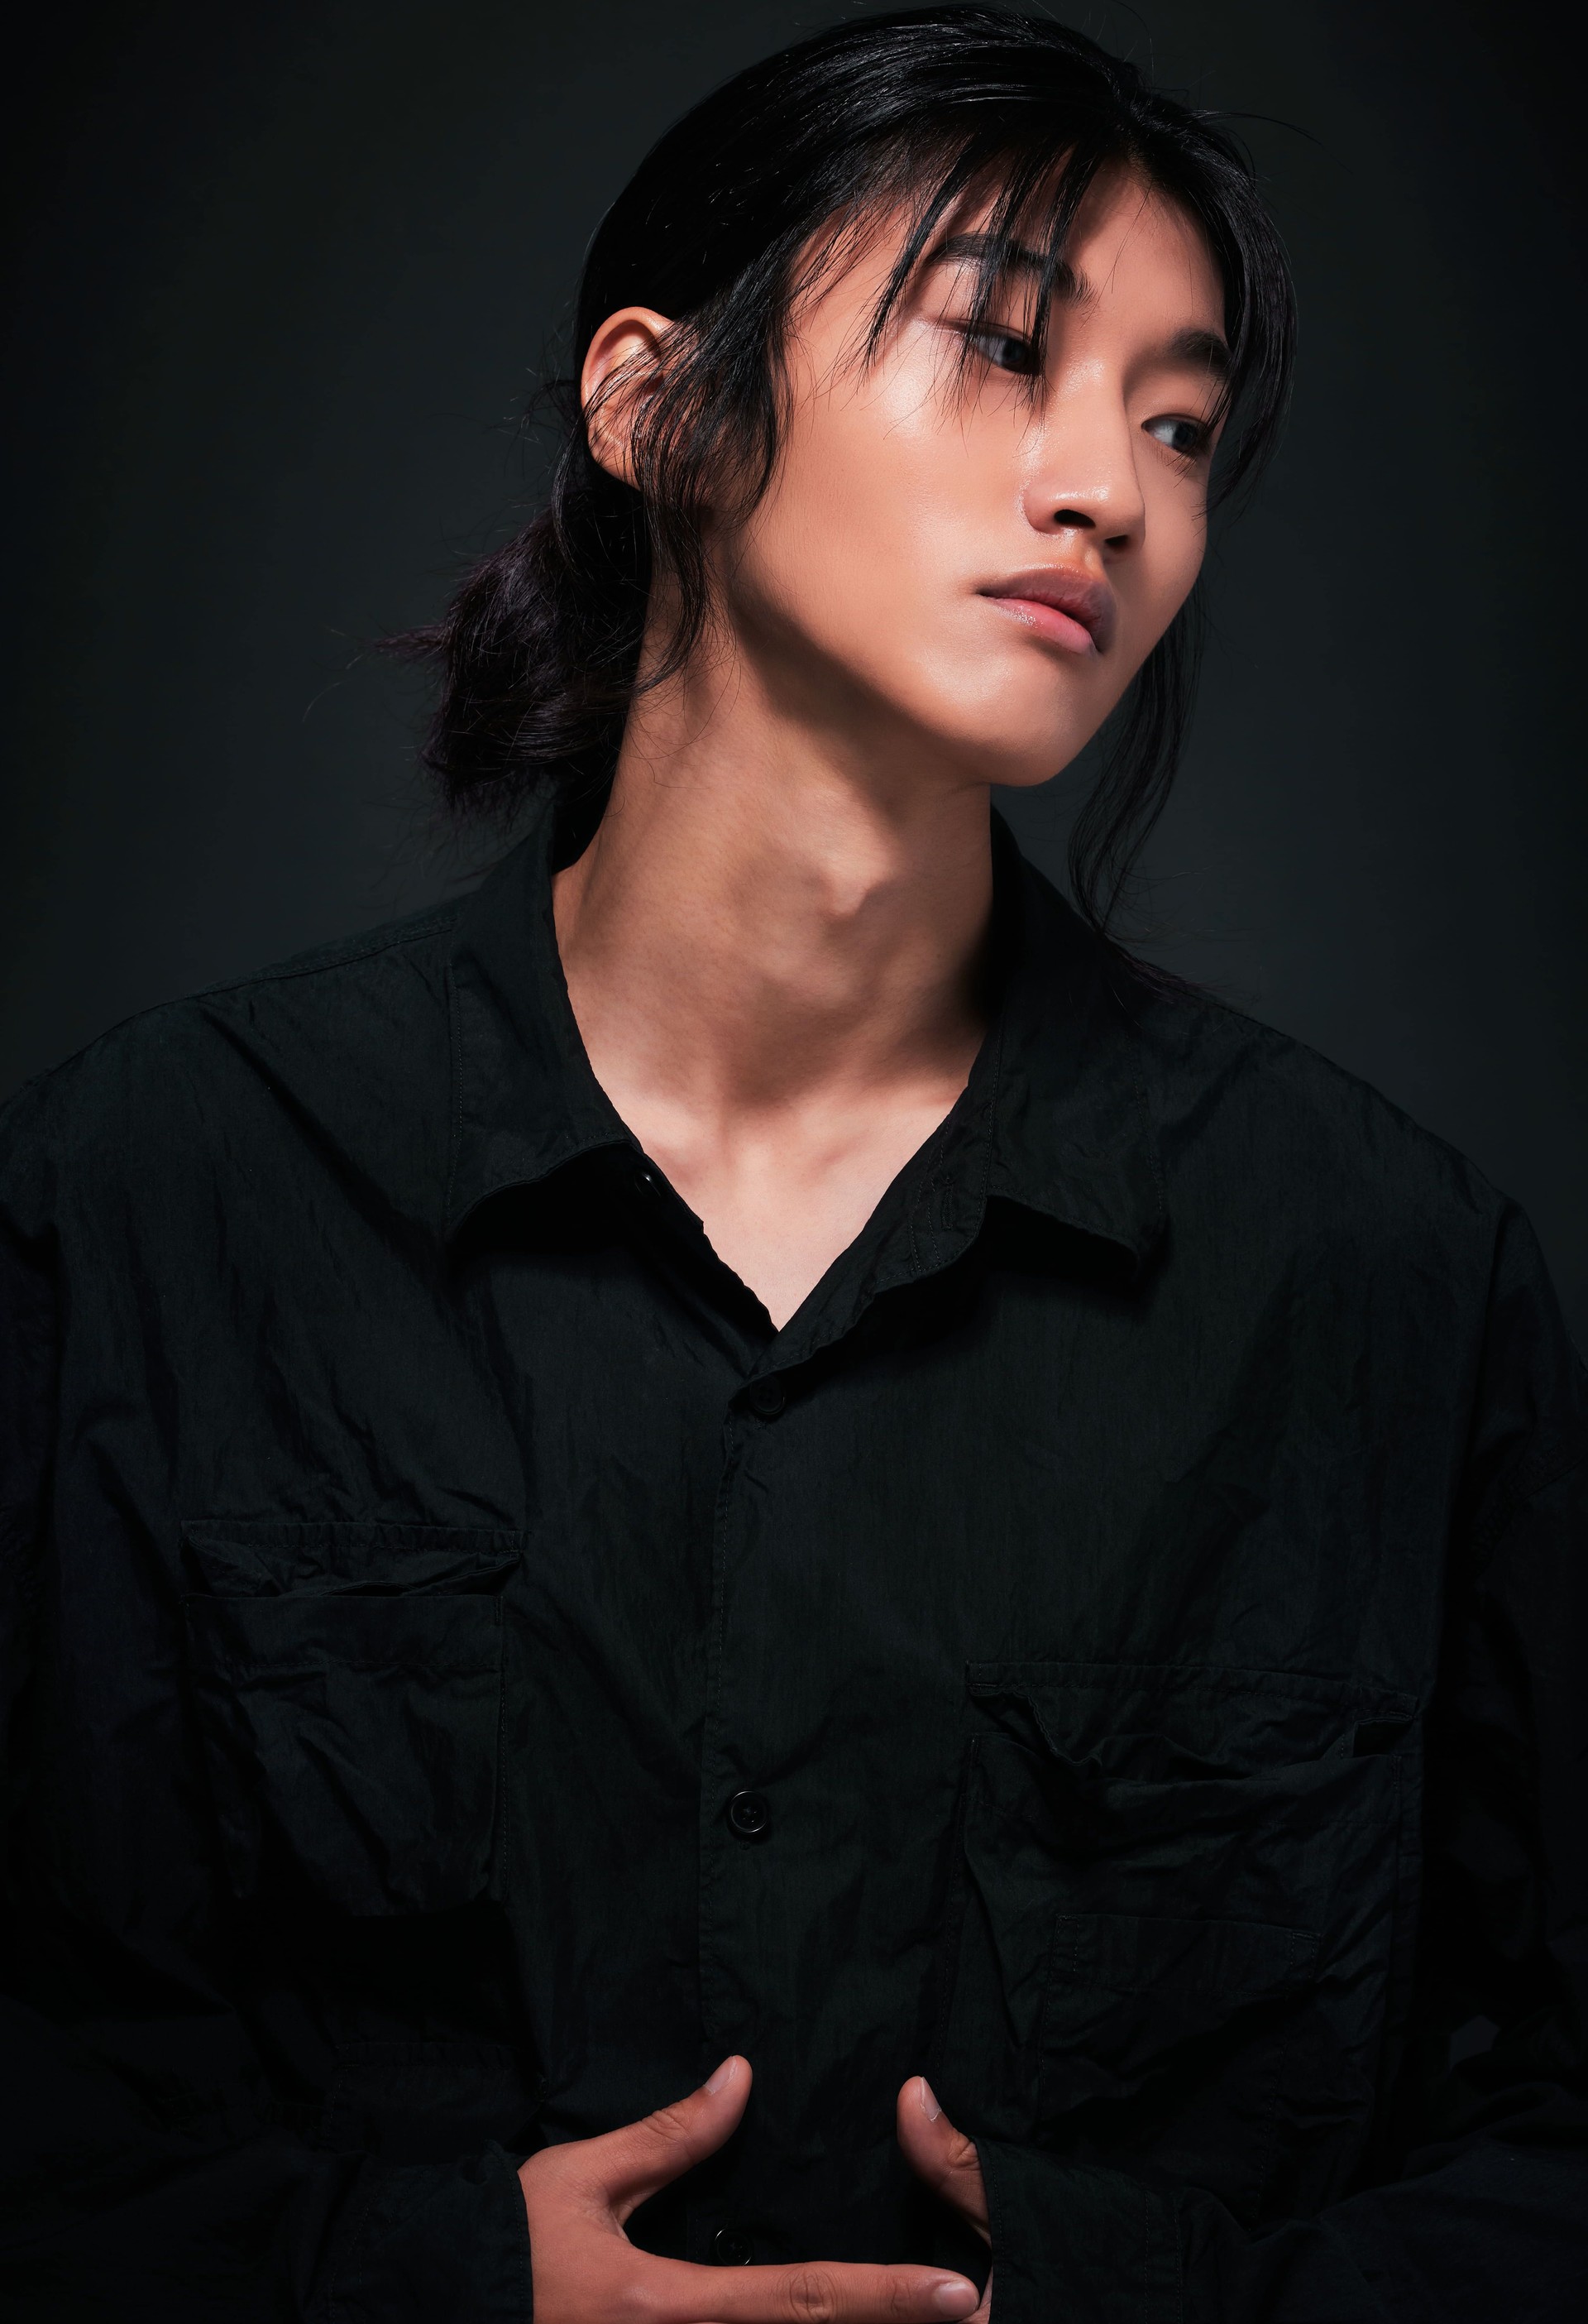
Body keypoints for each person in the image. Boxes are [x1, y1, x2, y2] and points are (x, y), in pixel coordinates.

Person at [1, 7, 1582, 2318]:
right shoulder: (153, 1195)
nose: (1113, 493)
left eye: (1179, 422)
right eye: (1001, 344)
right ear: (654, 402)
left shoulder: (1389, 1279)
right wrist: (426, 2279)